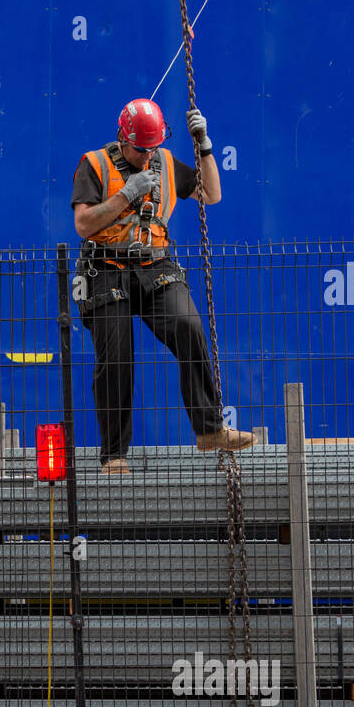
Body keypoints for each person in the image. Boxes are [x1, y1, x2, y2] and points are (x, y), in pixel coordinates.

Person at [71, 96, 254, 475]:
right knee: (116, 355)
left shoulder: (166, 162)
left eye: (153, 147)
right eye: (141, 149)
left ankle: (209, 429)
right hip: (104, 267)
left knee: (188, 326)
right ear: (124, 139)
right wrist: (127, 193)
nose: (147, 155)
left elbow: (211, 194)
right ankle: (114, 454)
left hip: (155, 264)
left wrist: (204, 145)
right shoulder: (95, 165)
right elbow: (85, 224)